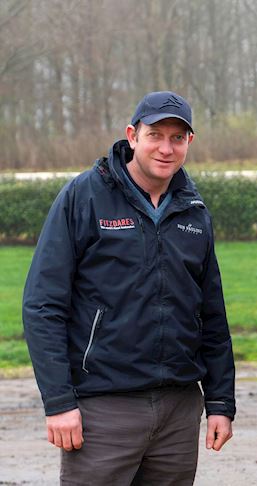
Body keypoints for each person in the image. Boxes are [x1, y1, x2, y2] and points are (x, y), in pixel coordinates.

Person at [22, 91, 236, 484]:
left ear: (189, 142)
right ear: (132, 136)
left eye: (177, 138)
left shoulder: (194, 211)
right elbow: (42, 306)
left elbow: (212, 317)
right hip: (103, 409)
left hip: (178, 411)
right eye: (155, 135)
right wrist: (58, 403)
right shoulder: (84, 197)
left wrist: (221, 402)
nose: (166, 148)